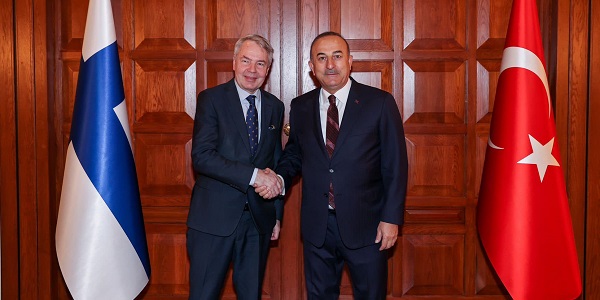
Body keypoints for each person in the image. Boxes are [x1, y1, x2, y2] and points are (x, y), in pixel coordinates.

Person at [260, 31, 408, 299]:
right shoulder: (301, 106)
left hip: (368, 226)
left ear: (350, 61)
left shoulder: (379, 103)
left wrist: (391, 219)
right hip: (318, 227)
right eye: (322, 57)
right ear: (311, 67)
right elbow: (294, 154)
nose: (330, 64)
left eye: (337, 56)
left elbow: (396, 166)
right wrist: (279, 178)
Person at [187, 34, 284, 300]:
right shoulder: (211, 100)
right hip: (212, 220)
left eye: (260, 64)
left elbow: (273, 164)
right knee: (203, 295)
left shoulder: (276, 107)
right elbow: (202, 157)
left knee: (251, 295)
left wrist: (276, 214)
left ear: (268, 69)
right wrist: (253, 177)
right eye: (246, 61)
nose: (252, 70)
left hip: (257, 221)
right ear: (234, 62)